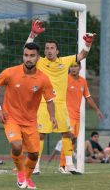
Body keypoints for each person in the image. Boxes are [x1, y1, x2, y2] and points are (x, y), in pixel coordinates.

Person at [26, 19, 97, 175]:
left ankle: (69, 166)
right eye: (47, 48)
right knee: (41, 134)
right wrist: (32, 36)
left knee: (67, 133)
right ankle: (36, 166)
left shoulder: (65, 61)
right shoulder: (40, 62)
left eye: (52, 48)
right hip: (44, 103)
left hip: (61, 104)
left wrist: (88, 44)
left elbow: (82, 55)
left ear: (57, 51)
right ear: (44, 51)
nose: (49, 50)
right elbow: (27, 53)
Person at [0, 42, 57, 189]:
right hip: (10, 118)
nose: (28, 58)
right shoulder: (10, 73)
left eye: (32, 56)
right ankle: (20, 172)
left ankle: (27, 177)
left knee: (33, 155)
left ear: (38, 58)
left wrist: (52, 116)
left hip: (31, 121)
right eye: (26, 55)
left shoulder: (43, 79)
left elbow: (50, 100)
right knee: (16, 144)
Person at [59, 61, 104, 171]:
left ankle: (67, 163)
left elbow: (88, 97)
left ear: (80, 67)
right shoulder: (65, 79)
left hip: (77, 116)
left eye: (75, 66)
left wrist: (97, 110)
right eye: (71, 67)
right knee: (67, 138)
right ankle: (63, 165)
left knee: (73, 140)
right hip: (67, 115)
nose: (73, 68)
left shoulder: (83, 81)